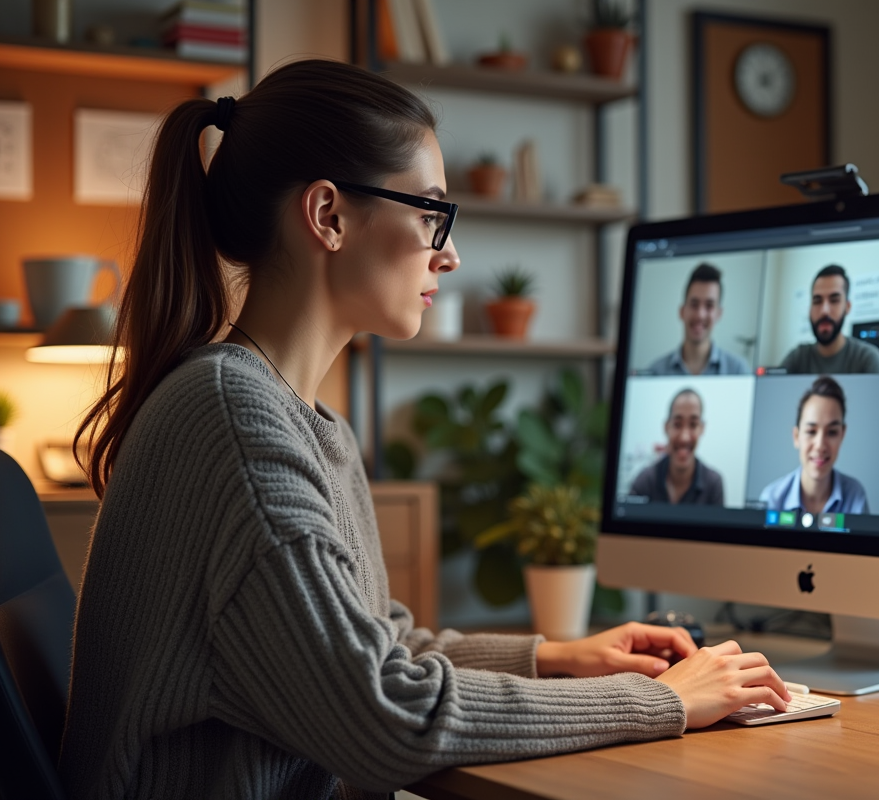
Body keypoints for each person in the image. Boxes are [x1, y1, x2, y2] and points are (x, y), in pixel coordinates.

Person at [59, 61, 791, 799]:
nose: (449, 252)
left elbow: (380, 645)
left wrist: (560, 657)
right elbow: (386, 715)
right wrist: (665, 702)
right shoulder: (238, 426)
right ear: (328, 216)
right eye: (429, 212)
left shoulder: (304, 423)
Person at [758, 376, 869, 515]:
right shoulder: (771, 499)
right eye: (811, 431)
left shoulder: (856, 496)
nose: (820, 445)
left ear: (842, 435)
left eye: (832, 432)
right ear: (796, 436)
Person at [779, 264, 879, 374]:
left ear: (847, 307)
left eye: (834, 300)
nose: (824, 310)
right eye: (817, 301)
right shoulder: (798, 357)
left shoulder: (867, 358)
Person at [646, 262, 750, 375]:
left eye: (709, 305)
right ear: (682, 311)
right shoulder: (656, 372)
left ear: (719, 314)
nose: (700, 315)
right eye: (694, 304)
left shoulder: (738, 371)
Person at [628, 389, 725, 505]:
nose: (684, 437)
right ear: (666, 427)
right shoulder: (644, 481)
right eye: (677, 424)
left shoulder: (713, 484)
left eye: (693, 425)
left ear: (702, 428)